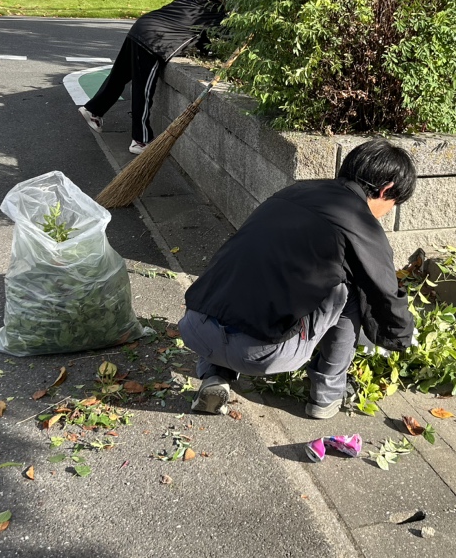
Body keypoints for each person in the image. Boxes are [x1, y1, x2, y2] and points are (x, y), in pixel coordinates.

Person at [179, 139, 418, 420]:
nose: (387, 211)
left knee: (243, 275)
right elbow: (385, 294)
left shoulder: (293, 192)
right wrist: (403, 338)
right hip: (258, 353)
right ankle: (327, 398)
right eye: (393, 204)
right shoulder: (360, 223)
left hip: (196, 329)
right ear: (386, 190)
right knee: (352, 292)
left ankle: (214, 375)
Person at [79, 0, 238, 154]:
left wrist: (202, 47)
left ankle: (93, 110)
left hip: (140, 28)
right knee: (143, 91)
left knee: (120, 75)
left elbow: (194, 27)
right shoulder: (216, 12)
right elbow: (216, 37)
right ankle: (140, 140)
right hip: (156, 42)